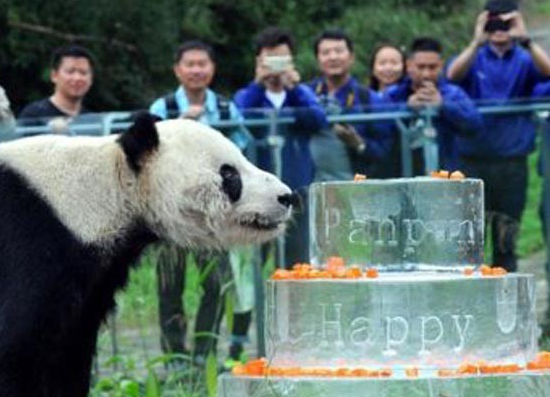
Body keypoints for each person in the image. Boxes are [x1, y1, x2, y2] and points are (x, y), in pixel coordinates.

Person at [148, 40, 255, 364]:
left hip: (214, 213)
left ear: (212, 69)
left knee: (216, 283)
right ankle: (175, 357)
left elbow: (242, 151)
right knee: (170, 286)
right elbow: (148, 154)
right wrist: (183, 124)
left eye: (202, 64)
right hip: (171, 213)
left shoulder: (225, 109)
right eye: (189, 64)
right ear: (177, 70)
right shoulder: (162, 108)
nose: (196, 70)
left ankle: (203, 353)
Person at [446, 0, 550, 271]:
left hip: (512, 161)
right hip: (472, 160)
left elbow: (548, 72)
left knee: (506, 238)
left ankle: (507, 307)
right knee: (469, 241)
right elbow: (451, 76)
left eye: (507, 23)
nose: (500, 30)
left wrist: (525, 38)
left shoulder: (526, 60)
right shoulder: (474, 58)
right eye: (494, 23)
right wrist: (476, 40)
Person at [233, 27, 327, 267]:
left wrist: (294, 89)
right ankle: (250, 306)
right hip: (254, 191)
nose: (275, 65)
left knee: (297, 259)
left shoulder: (302, 93)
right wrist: (258, 83)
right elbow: (238, 121)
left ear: (292, 61)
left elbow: (319, 121)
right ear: (259, 61)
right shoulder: (247, 94)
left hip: (297, 188)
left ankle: (296, 305)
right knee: (251, 263)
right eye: (270, 59)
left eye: (281, 59)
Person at [383, 37, 482, 176]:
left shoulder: (453, 93)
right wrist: (406, 109)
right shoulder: (393, 95)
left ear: (441, 65)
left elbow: (475, 123)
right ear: (409, 65)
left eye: (432, 67)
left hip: (446, 173)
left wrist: (443, 106)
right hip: (403, 174)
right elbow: (380, 129)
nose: (426, 74)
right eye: (421, 67)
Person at [306, 29, 392, 182]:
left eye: (339, 51)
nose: (333, 57)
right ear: (318, 60)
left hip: (355, 186)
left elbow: (386, 152)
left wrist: (358, 144)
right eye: (326, 53)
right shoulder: (305, 95)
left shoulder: (369, 99)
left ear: (351, 57)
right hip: (308, 185)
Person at [19, 44, 94, 131]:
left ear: (91, 78)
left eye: (83, 72)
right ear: (54, 76)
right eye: (70, 71)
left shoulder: (91, 120)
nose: (77, 78)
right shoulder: (33, 116)